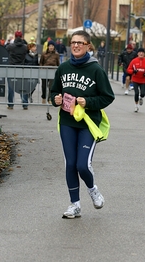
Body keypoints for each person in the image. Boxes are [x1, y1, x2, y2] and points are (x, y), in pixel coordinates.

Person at [50, 30, 115, 219]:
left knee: (82, 165)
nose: (76, 45)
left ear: (88, 46)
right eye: (73, 42)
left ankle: (93, 189)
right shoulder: (63, 68)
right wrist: (56, 99)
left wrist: (88, 102)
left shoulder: (96, 70)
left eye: (80, 42)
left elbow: (107, 97)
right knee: (70, 164)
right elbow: (53, 92)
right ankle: (75, 205)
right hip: (67, 122)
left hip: (88, 123)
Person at [6, 30, 27, 109]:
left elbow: (5, 50)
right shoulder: (25, 47)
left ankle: (10, 104)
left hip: (12, 67)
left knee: (11, 87)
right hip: (21, 68)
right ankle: (25, 104)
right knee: (23, 86)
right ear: (21, 37)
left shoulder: (11, 46)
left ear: (14, 37)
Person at [127, 48, 145, 112]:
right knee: (136, 93)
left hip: (142, 80)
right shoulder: (134, 61)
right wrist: (133, 71)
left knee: (143, 93)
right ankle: (136, 106)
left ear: (144, 54)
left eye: (142, 52)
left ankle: (141, 98)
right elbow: (129, 69)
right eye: (140, 52)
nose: (141, 54)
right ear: (137, 54)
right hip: (135, 79)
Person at [40, 40, 60, 104]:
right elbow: (41, 62)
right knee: (44, 86)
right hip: (45, 71)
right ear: (48, 47)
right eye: (50, 46)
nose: (51, 47)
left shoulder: (56, 55)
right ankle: (43, 97)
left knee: (51, 86)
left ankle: (50, 98)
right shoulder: (44, 54)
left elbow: (58, 63)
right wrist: (41, 68)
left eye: (52, 46)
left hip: (52, 71)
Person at [23, 43, 39, 108]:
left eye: (35, 47)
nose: (35, 48)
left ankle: (30, 94)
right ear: (30, 48)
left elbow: (37, 63)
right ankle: (25, 102)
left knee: (33, 86)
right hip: (28, 72)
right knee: (27, 86)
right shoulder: (26, 55)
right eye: (34, 47)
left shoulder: (36, 55)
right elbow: (24, 63)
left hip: (34, 72)